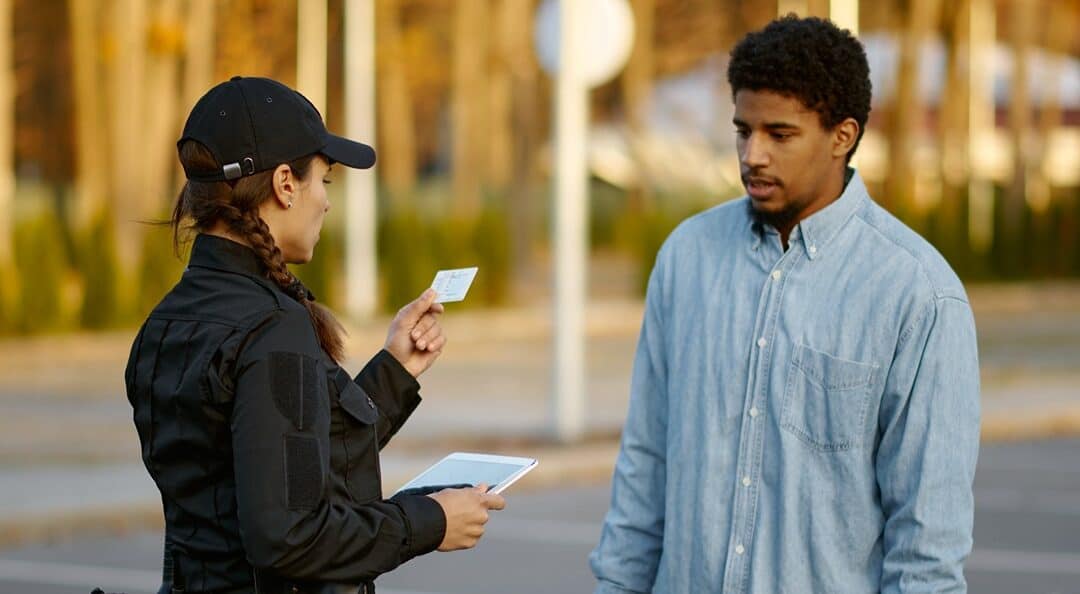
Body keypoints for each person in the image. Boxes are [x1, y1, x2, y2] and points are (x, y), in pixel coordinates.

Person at [589, 15, 980, 594]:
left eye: (780, 134)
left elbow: (927, 543)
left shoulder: (917, 294)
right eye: (743, 130)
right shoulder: (687, 259)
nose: (754, 155)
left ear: (842, 136)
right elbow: (646, 468)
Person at [126, 76, 505, 594]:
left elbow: (290, 456)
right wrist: (430, 521)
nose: (325, 202)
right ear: (285, 184)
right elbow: (290, 537)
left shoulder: (166, 322)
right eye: (323, 181)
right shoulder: (272, 328)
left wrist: (396, 368)